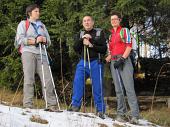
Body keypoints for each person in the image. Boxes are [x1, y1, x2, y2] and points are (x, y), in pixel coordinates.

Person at [15, 4, 57, 110]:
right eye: (36, 11)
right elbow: (19, 40)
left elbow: (49, 41)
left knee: (47, 79)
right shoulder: (23, 23)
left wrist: (44, 40)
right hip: (28, 52)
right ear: (29, 13)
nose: (38, 13)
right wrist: (34, 41)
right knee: (29, 79)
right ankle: (28, 104)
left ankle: (52, 105)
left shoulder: (42, 25)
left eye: (39, 11)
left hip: (42, 54)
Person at [69, 15, 107, 119]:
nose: (87, 22)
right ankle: (75, 106)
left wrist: (92, 43)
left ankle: (100, 110)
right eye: (84, 21)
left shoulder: (99, 32)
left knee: (97, 86)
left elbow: (104, 49)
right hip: (83, 62)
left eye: (88, 20)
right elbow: (76, 48)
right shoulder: (81, 33)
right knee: (78, 82)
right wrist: (82, 40)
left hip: (96, 62)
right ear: (82, 23)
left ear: (93, 22)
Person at [105, 11, 140, 124]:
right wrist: (107, 59)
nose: (113, 21)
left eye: (115, 19)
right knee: (118, 90)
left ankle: (135, 116)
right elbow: (111, 51)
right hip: (114, 62)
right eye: (112, 19)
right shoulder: (111, 35)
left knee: (129, 88)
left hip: (124, 61)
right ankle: (121, 114)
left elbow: (129, 46)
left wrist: (122, 59)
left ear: (119, 20)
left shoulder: (124, 30)